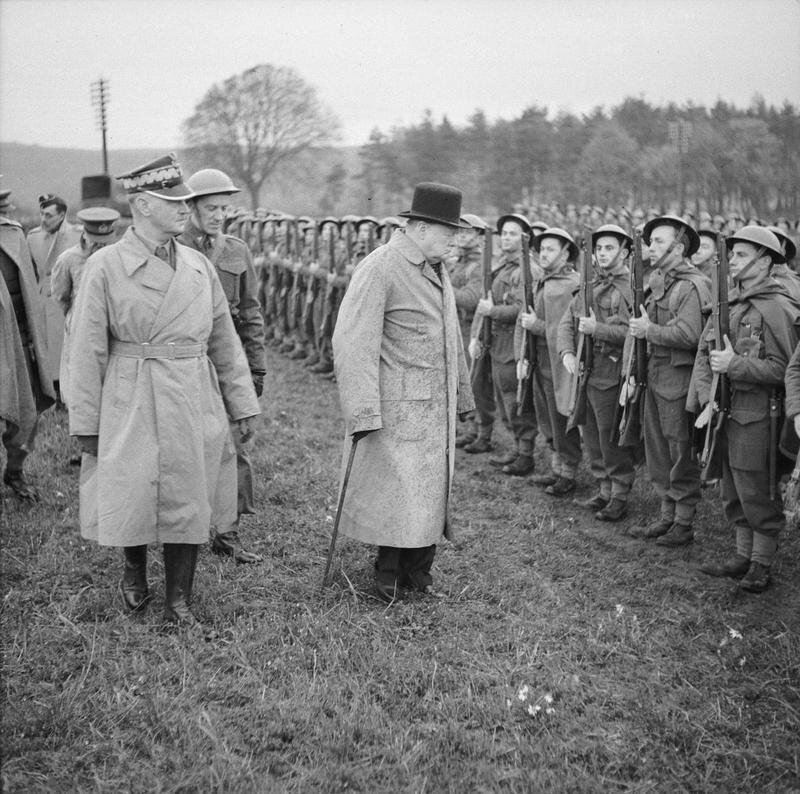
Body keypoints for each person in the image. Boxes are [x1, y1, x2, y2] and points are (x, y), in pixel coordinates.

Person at [68, 154, 261, 628]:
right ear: (142, 206)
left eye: (184, 201)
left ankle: (179, 598)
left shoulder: (198, 266)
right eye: (173, 201)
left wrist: (241, 403)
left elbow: (224, 340)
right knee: (133, 485)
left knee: (189, 490)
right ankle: (134, 570)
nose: (184, 209)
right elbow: (86, 351)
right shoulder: (105, 266)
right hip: (130, 391)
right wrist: (86, 423)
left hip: (192, 391)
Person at [332, 182, 474, 602]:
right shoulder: (381, 266)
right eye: (449, 231)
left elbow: (451, 335)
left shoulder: (436, 268)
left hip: (436, 406)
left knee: (430, 494)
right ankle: (388, 575)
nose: (454, 240)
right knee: (398, 494)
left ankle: (419, 572)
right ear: (421, 228)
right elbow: (353, 341)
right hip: (398, 406)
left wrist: (462, 394)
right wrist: (362, 410)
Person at [692, 227, 800, 592]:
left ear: (765, 262)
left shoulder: (778, 307)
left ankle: (761, 563)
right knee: (732, 486)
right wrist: (707, 398)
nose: (733, 261)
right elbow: (705, 355)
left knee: (756, 488)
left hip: (759, 414)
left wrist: (735, 365)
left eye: (741, 255)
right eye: (732, 254)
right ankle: (742, 555)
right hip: (725, 409)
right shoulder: (731, 303)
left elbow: (785, 369)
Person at [180, 168, 267, 564]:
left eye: (223, 208)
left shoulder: (236, 250)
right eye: (211, 208)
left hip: (229, 363)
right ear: (191, 207)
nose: (219, 215)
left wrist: (257, 368)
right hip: (188, 360)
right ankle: (186, 527)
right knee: (188, 444)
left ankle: (228, 533)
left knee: (237, 443)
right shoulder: (173, 249)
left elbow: (250, 311)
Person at [628, 215, 710, 546]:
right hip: (655, 374)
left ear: (678, 248)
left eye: (659, 241)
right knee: (658, 448)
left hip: (679, 378)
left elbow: (690, 335)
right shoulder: (659, 281)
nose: (651, 247)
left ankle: (684, 522)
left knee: (680, 450)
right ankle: (667, 516)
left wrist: (650, 331)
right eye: (650, 242)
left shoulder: (691, 285)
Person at [556, 224, 636, 520]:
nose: (602, 253)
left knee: (609, 436)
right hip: (587, 371)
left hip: (612, 370)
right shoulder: (590, 284)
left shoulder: (631, 288)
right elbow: (568, 321)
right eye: (599, 248)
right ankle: (604, 489)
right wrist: (567, 352)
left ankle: (619, 494)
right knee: (590, 434)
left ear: (624, 253)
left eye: (609, 248)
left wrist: (597, 329)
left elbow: (633, 333)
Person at [1, 189, 56, 500]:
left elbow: (28, 288)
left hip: (18, 338)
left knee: (26, 412)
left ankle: (15, 470)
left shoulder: (14, 235)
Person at [473, 214, 538, 474]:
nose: (506, 238)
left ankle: (526, 454)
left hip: (514, 342)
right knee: (504, 400)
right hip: (498, 342)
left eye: (513, 233)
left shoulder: (526, 269)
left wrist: (493, 311)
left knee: (515, 399)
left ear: (525, 238)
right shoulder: (504, 266)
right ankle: (516, 447)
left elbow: (521, 309)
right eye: (505, 233)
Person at [519, 228, 581, 495]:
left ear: (565, 254)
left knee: (561, 413)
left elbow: (565, 330)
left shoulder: (570, 285)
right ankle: (557, 467)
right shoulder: (541, 281)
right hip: (541, 357)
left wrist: (536, 325)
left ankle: (568, 471)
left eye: (550, 249)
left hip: (560, 360)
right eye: (541, 249)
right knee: (545, 412)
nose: (543, 254)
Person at [26, 193, 81, 401]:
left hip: (67, 300)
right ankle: (53, 394)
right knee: (47, 349)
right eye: (41, 214)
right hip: (43, 301)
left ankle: (70, 394)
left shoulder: (78, 235)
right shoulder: (33, 237)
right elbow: (30, 271)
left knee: (69, 347)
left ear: (62, 215)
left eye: (48, 215)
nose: (43, 220)